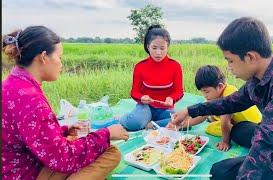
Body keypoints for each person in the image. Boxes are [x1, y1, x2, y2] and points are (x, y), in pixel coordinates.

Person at [171, 17, 273, 179]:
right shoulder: (257, 79)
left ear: (250, 57)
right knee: (234, 140)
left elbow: (266, 140)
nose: (229, 68)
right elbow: (230, 102)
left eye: (230, 60)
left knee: (224, 172)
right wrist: (190, 110)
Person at [2, 26, 129, 180]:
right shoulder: (31, 100)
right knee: (111, 152)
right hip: (26, 173)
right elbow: (62, 158)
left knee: (76, 140)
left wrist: (63, 130)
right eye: (59, 57)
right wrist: (107, 133)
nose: (61, 64)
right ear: (43, 57)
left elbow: (29, 132)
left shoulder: (13, 83)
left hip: (15, 167)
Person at [167, 65, 261, 151]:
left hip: (252, 126)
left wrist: (225, 141)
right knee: (210, 127)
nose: (205, 96)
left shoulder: (228, 93)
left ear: (220, 86)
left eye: (206, 92)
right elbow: (202, 115)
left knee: (221, 127)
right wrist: (181, 125)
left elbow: (225, 122)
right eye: (202, 92)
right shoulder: (216, 95)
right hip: (237, 122)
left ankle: (229, 130)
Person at [119, 25, 184, 131]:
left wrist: (171, 98)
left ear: (167, 47)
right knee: (134, 123)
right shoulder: (140, 66)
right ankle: (122, 119)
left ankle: (151, 125)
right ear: (148, 46)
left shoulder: (175, 66)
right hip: (145, 107)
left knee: (183, 122)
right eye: (154, 48)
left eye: (162, 48)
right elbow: (134, 92)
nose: (158, 52)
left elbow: (179, 91)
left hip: (165, 109)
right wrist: (142, 98)